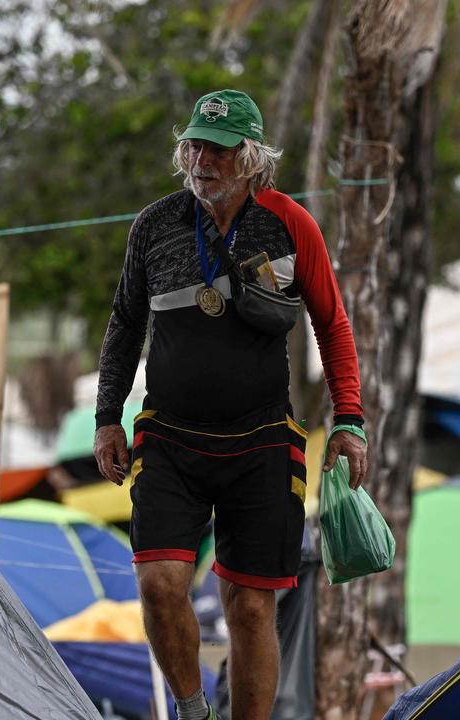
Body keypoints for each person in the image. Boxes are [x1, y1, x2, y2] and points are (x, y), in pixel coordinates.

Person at [93, 89, 368, 720]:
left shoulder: (290, 224)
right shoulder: (155, 225)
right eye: (193, 147)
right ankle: (193, 712)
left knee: (249, 606)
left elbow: (333, 325)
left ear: (250, 157)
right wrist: (108, 415)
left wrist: (349, 420)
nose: (201, 160)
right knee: (160, 586)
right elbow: (124, 324)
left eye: (216, 150)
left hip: (262, 442)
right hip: (170, 440)